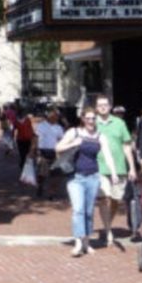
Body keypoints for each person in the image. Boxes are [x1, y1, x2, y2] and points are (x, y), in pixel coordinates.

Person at [55, 106, 119, 257]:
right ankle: (78, 242)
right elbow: (58, 147)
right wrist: (73, 143)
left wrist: (114, 173)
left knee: (88, 211)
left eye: (93, 118)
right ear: (83, 119)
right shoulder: (74, 132)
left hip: (93, 177)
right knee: (78, 209)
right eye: (88, 118)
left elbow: (108, 155)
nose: (91, 121)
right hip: (75, 177)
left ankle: (86, 242)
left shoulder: (100, 136)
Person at [95, 95, 137, 247]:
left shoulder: (119, 123)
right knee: (104, 197)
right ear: (96, 107)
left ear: (110, 106)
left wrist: (132, 167)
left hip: (119, 167)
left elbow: (126, 146)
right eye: (100, 105)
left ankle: (107, 225)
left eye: (105, 104)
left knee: (115, 199)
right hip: (99, 166)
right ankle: (108, 231)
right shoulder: (92, 123)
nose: (103, 107)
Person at [34, 108, 65, 199]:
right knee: (42, 174)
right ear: (49, 116)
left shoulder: (59, 127)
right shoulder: (41, 126)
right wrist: (34, 150)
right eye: (54, 115)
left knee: (56, 175)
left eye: (57, 116)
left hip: (55, 153)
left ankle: (52, 193)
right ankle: (40, 185)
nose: (56, 117)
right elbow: (35, 138)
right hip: (43, 152)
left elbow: (61, 139)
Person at [14, 107, 36, 171]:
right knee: (22, 154)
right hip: (20, 140)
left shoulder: (27, 120)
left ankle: (25, 165)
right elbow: (14, 130)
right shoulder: (16, 121)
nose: (24, 114)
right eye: (23, 113)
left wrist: (33, 135)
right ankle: (23, 165)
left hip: (27, 139)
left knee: (28, 153)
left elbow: (30, 128)